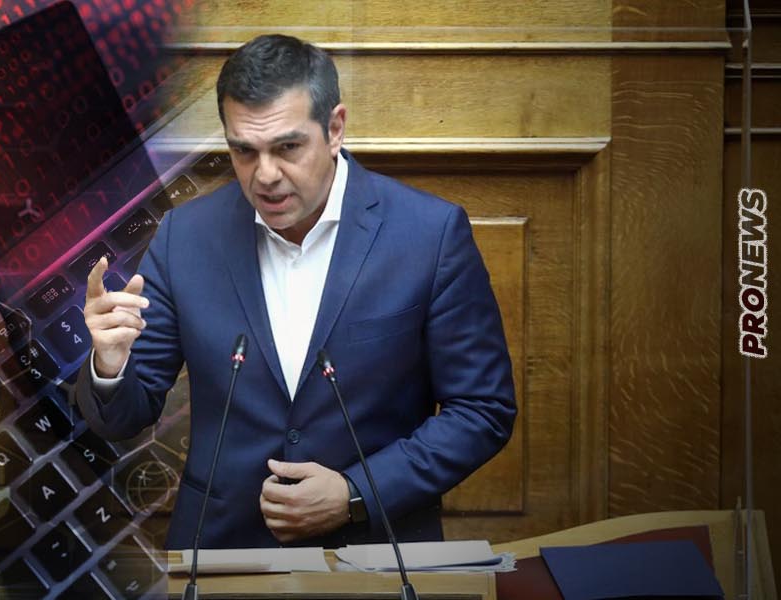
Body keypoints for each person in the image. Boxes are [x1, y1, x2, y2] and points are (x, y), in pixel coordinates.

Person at [73, 34, 516, 549]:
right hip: (219, 554)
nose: (265, 176)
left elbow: (482, 410)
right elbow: (124, 416)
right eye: (244, 150)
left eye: (287, 148)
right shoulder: (183, 237)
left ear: (335, 129)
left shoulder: (430, 234)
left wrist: (356, 492)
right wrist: (109, 366)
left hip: (378, 554)